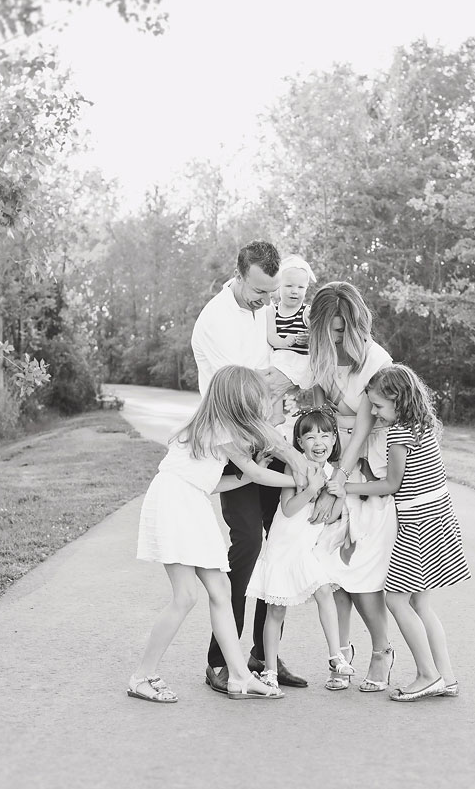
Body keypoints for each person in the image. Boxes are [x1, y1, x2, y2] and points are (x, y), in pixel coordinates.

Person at [129, 366, 322, 702]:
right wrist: (301, 480)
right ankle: (142, 676)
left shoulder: (215, 427)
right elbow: (256, 473)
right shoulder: (223, 428)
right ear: (236, 402)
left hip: (190, 499)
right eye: (253, 402)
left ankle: (239, 676)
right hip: (176, 502)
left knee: (220, 589)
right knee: (185, 596)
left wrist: (257, 475)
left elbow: (218, 481)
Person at [190, 241, 314, 693]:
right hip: (234, 445)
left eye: (272, 293)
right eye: (260, 292)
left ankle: (266, 656)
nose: (268, 302)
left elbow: (279, 368)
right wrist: (290, 452)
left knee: (279, 542)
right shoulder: (216, 321)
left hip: (268, 431)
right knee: (246, 545)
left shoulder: (261, 307)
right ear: (238, 274)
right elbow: (243, 401)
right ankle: (220, 659)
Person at [344, 364, 470, 702]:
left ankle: (427, 675)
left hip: (418, 524)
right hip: (438, 517)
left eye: (378, 406)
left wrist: (346, 486)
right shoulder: (421, 427)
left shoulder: (399, 434)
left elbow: (391, 485)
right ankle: (446, 676)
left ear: (398, 400)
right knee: (421, 603)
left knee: (396, 599)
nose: (373, 412)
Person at [305, 282, 400, 693]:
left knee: (362, 574)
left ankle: (382, 651)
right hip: (331, 466)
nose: (339, 338)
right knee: (330, 571)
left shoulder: (375, 361)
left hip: (361, 472)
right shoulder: (320, 357)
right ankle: (341, 654)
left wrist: (337, 485)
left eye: (345, 330)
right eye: (332, 330)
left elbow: (361, 431)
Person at [245, 408, 356, 691]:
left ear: (334, 440)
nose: (318, 442)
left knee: (324, 593)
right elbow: (288, 508)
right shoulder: (294, 467)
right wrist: (310, 489)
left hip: (305, 552)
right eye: (310, 436)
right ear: (300, 442)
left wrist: (339, 496)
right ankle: (269, 670)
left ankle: (335, 656)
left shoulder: (334, 473)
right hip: (282, 550)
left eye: (325, 435)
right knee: (276, 612)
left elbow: (327, 518)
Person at [264, 256, 316, 422]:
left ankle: (278, 415)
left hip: (300, 360)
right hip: (280, 357)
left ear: (306, 289)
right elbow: (271, 337)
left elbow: (318, 335)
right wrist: (285, 341)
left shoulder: (306, 312)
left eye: (301, 287)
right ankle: (275, 414)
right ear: (278, 285)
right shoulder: (273, 310)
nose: (295, 291)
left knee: (273, 377)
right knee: (267, 375)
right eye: (289, 286)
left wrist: (309, 338)